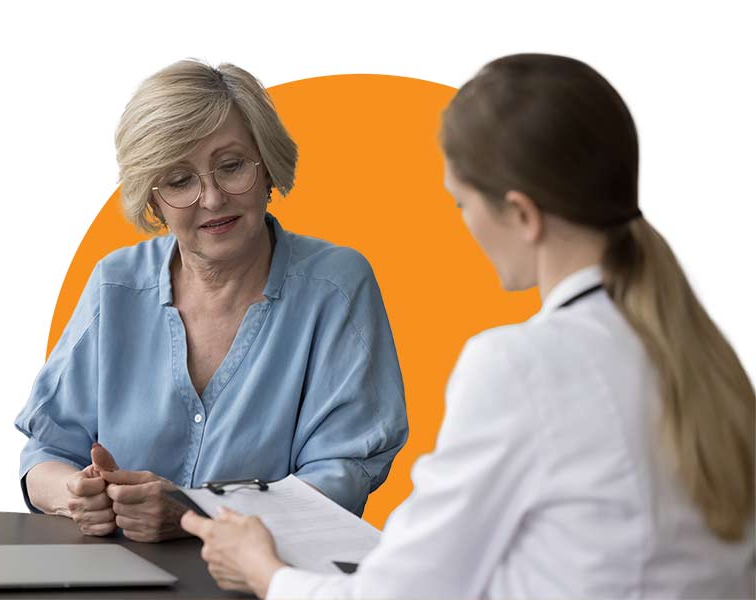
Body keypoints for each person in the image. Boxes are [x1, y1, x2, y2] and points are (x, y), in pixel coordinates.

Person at [181, 54, 756, 598]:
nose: (468, 226)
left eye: (462, 204)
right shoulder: (706, 358)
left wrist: (264, 571)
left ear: (523, 215)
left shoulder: (519, 365)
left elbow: (401, 595)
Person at [14, 60, 408, 542]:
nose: (213, 198)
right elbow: (46, 452)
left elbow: (341, 477)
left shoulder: (338, 285)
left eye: (231, 166)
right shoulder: (114, 284)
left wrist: (191, 512)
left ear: (268, 168)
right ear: (153, 200)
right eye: (180, 180)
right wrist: (77, 494)